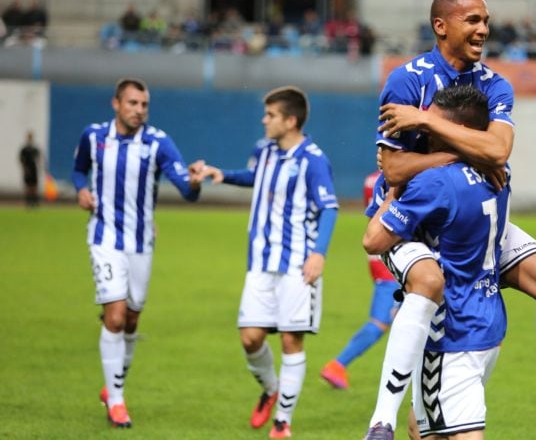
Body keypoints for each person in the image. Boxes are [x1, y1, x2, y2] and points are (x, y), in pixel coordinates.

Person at [365, 0, 536, 439]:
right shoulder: (406, 81)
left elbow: (500, 149)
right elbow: (392, 168)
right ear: (441, 25)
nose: (483, 29)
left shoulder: (495, 83)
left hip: (471, 213)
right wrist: (467, 156)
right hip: (410, 223)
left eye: (486, 20)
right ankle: (380, 423)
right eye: (472, 20)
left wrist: (429, 124)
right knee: (430, 281)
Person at [191, 86, 338, 439]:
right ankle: (272, 389)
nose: (264, 119)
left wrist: (318, 254)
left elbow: (329, 207)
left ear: (290, 120)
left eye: (270, 115)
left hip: (297, 265)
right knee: (250, 339)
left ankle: (282, 423)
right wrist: (220, 174)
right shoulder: (264, 150)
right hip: (260, 262)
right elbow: (257, 178)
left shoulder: (313, 158)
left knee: (290, 341)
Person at [365, 85, 510, 440]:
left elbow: (374, 241)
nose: (424, 133)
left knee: (440, 431)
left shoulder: (433, 182)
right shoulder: (499, 174)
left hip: (451, 334)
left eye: (432, 127)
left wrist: (396, 188)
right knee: (423, 428)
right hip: (490, 323)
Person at [70, 78, 202, 428]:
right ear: (116, 104)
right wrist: (81, 191)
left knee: (131, 320)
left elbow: (186, 191)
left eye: (144, 105)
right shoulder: (94, 136)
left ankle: (113, 385)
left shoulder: (158, 142)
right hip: (104, 239)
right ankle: (116, 401)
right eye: (132, 103)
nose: (139, 110)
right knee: (113, 316)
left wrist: (194, 182)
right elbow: (78, 169)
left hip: (141, 242)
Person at [319, 171, 401, 390]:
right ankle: (338, 364)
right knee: (381, 321)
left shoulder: (370, 180)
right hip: (392, 255)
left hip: (375, 254)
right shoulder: (400, 178)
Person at [19, 130, 41, 207]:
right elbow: (21, 160)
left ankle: (35, 202)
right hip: (27, 169)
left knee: (34, 187)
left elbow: (39, 159)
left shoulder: (35, 149)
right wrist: (24, 169)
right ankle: (28, 202)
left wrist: (39, 167)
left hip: (34, 169)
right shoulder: (24, 149)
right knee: (28, 187)